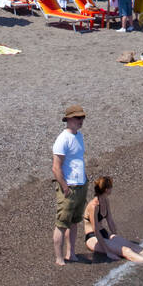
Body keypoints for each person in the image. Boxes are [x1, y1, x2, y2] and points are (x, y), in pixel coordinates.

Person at [83, 177, 143, 265]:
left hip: (104, 233)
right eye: (111, 187)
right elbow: (95, 229)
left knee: (133, 246)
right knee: (126, 251)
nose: (112, 189)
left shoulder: (105, 200)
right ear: (106, 189)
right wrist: (108, 251)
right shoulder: (94, 206)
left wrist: (115, 237)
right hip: (93, 238)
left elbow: (110, 221)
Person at [52, 104, 88, 266]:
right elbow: (56, 167)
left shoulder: (79, 136)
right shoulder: (62, 139)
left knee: (74, 222)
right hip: (69, 188)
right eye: (78, 118)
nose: (81, 121)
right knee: (61, 223)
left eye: (82, 118)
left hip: (81, 185)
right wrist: (64, 186)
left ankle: (70, 252)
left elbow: (78, 160)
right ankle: (59, 258)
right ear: (69, 119)